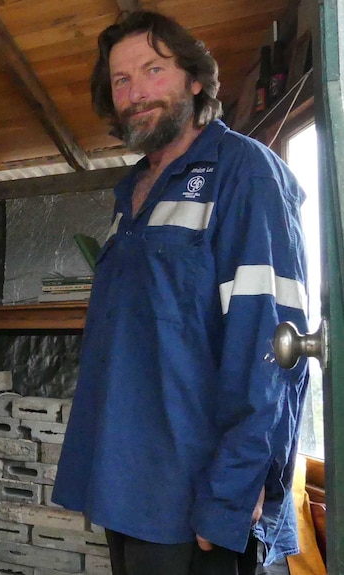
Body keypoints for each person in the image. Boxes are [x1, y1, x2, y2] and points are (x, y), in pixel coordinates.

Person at [50, 10, 310, 575]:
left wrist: (232, 493)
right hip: (131, 492)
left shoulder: (245, 174)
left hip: (201, 503)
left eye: (153, 69)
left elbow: (274, 346)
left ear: (195, 80)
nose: (136, 92)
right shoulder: (134, 195)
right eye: (121, 80)